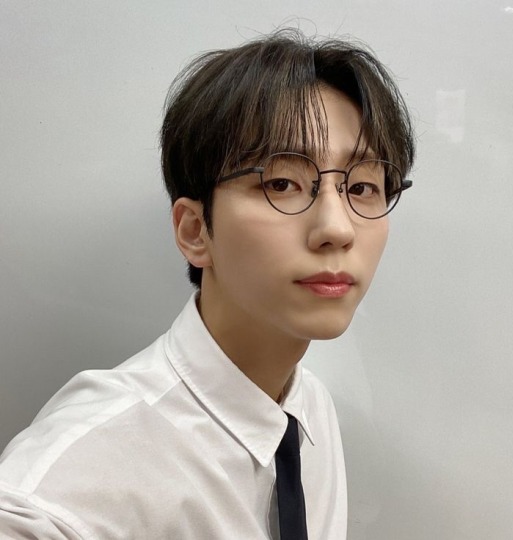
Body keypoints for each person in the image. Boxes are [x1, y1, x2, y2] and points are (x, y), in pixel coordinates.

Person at [0, 29, 414, 539]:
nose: (337, 228)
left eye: (363, 186)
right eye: (281, 183)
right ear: (195, 231)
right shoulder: (79, 481)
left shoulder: (309, 410)